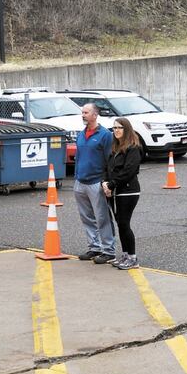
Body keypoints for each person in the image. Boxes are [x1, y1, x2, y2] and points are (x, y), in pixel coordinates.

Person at [75, 103, 116, 264]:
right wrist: (77, 177)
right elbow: (79, 157)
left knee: (102, 217)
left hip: (96, 182)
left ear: (95, 115)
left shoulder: (105, 135)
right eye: (82, 112)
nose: (83, 115)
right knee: (86, 217)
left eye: (86, 112)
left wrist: (106, 182)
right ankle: (94, 247)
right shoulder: (81, 134)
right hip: (80, 182)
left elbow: (109, 160)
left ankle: (108, 250)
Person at [102, 118, 142, 270]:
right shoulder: (115, 147)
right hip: (114, 191)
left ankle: (133, 258)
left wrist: (111, 184)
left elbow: (128, 171)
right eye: (114, 128)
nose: (116, 130)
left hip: (128, 191)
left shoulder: (133, 147)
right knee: (121, 224)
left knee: (124, 224)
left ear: (126, 129)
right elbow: (108, 168)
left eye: (120, 128)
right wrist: (104, 183)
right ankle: (125, 254)